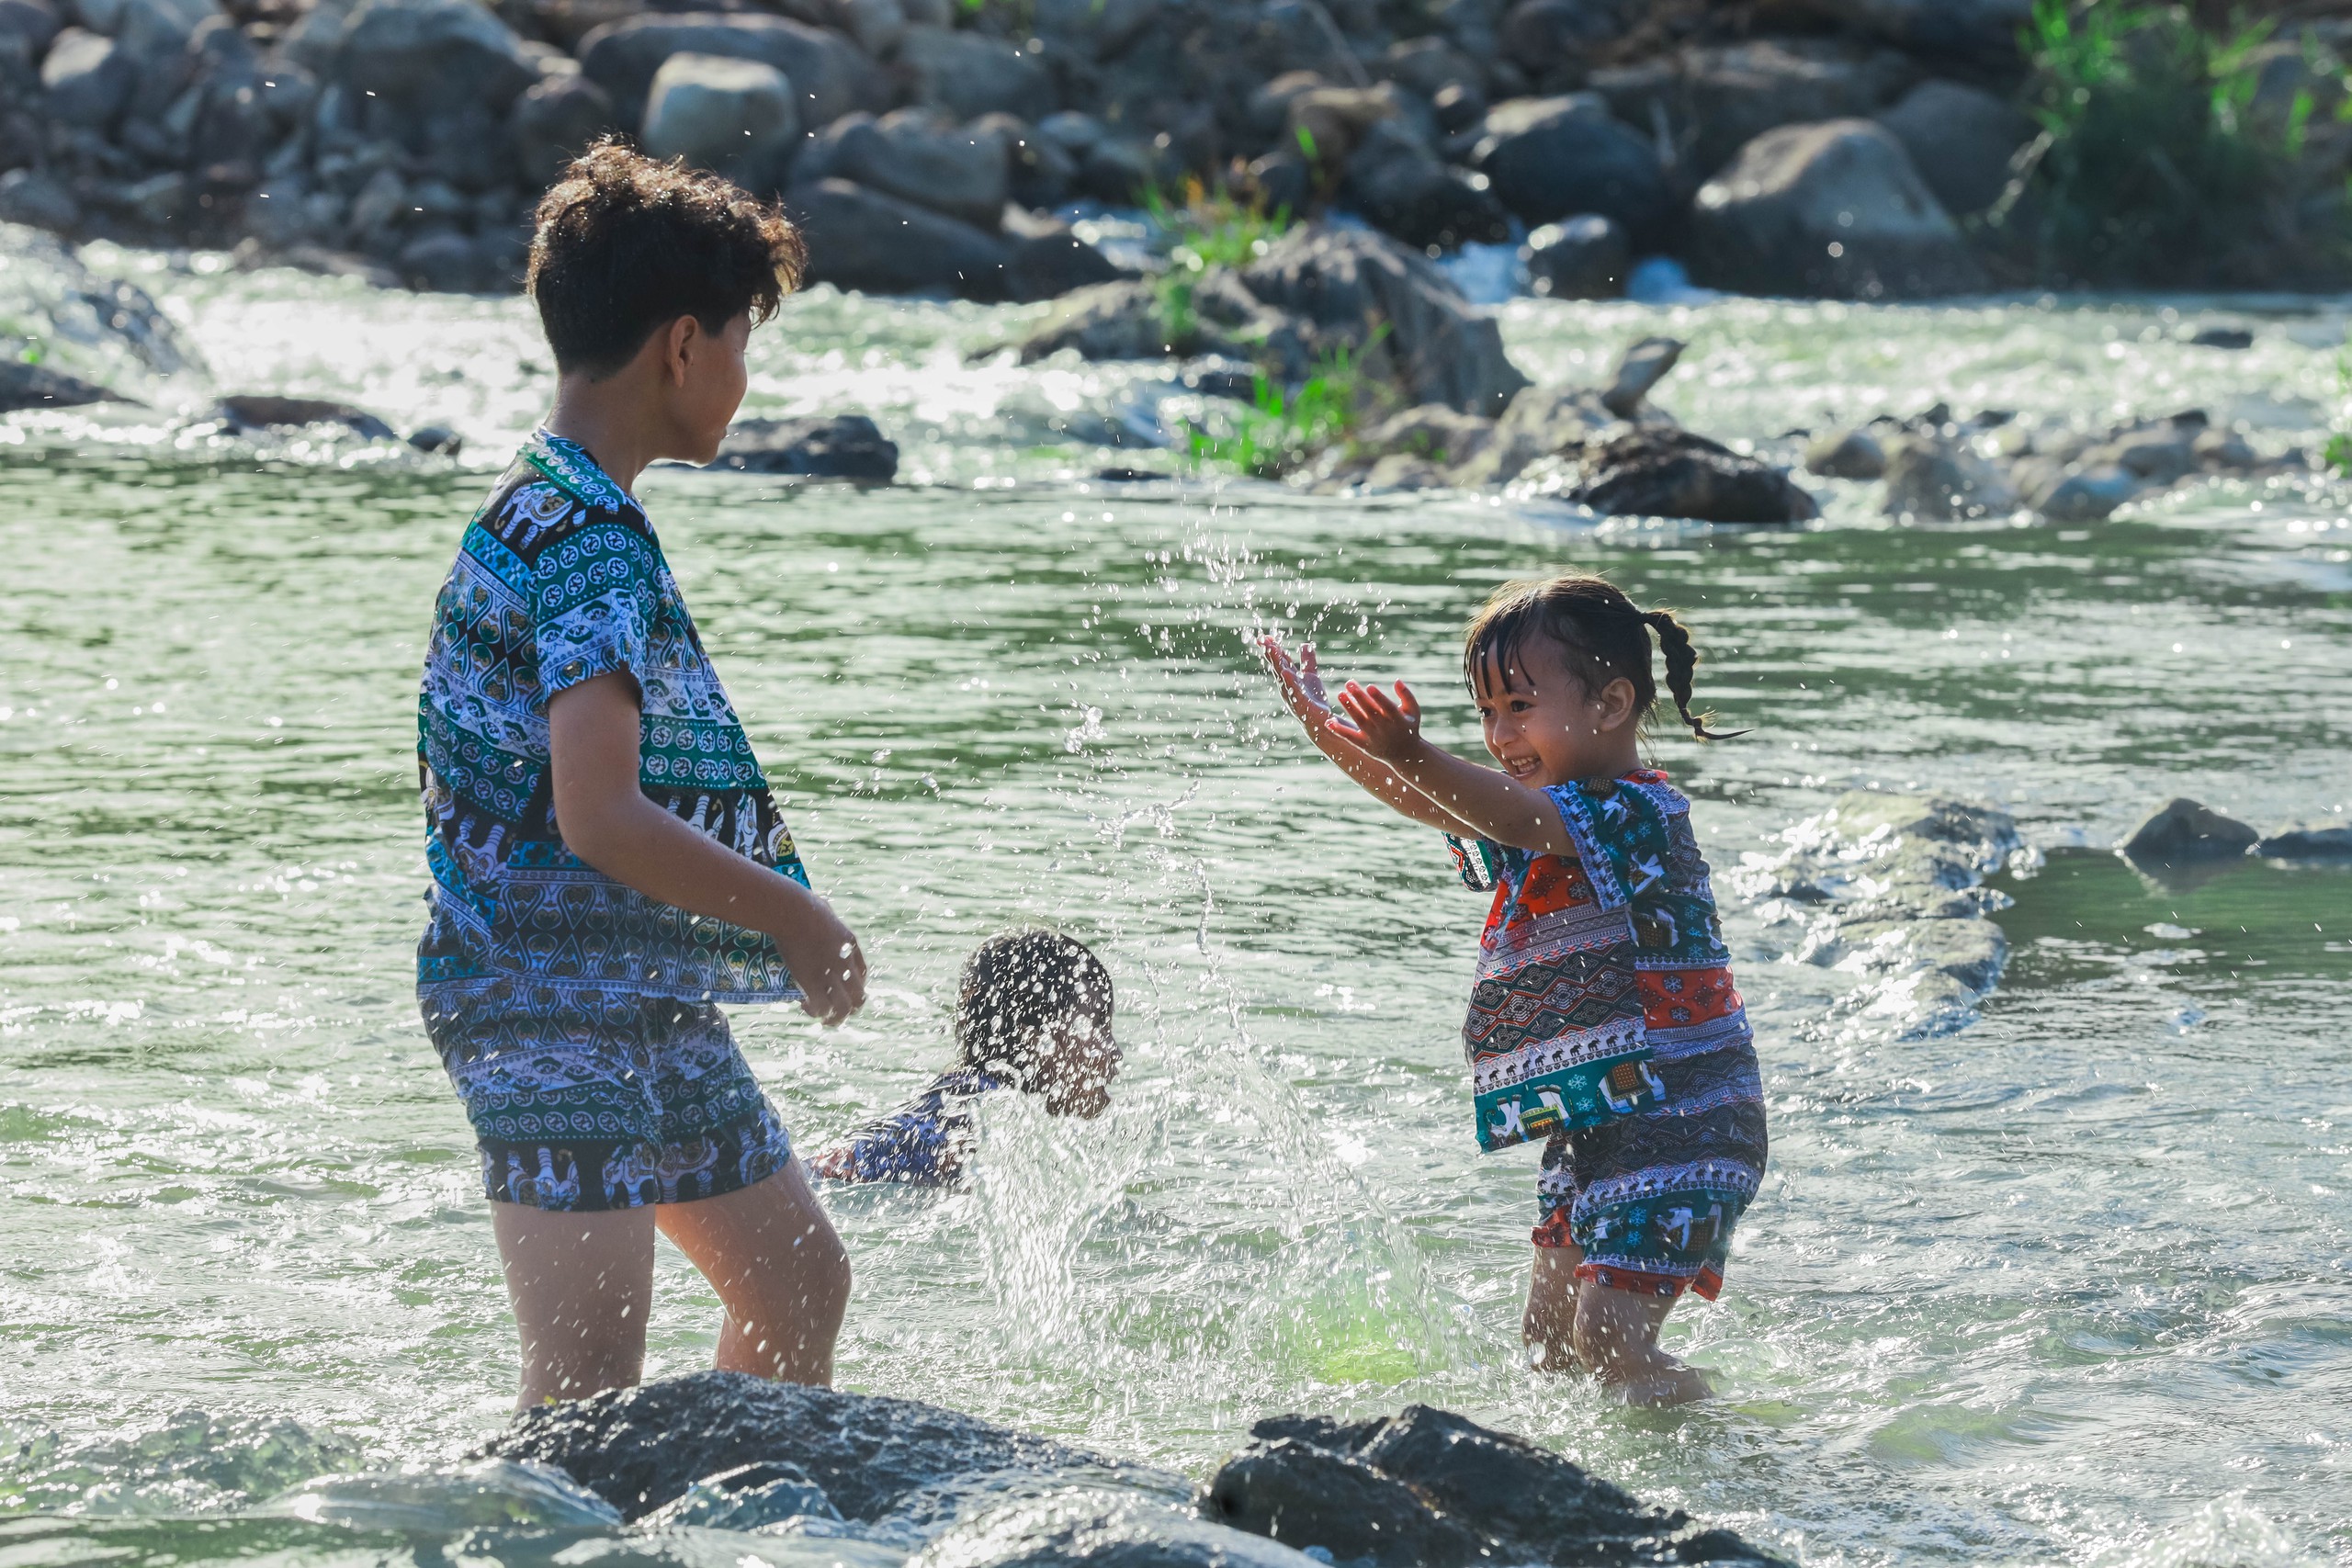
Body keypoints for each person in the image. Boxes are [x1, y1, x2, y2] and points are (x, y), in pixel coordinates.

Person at [414, 141, 868, 1409]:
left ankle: (733, 1524)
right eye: (740, 341)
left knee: (793, 1287)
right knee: (587, 1378)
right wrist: (795, 913)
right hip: (537, 994)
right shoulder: (584, 540)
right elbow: (598, 812)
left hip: (634, 981)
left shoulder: (557, 499)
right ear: (682, 347)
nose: (741, 374)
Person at [1261, 575, 1767, 1405]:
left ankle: (1724, 1452)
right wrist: (1331, 732)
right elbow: (1437, 803)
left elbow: (1495, 808)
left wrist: (1412, 750)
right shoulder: (1543, 812)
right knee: (1549, 1344)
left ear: (1610, 704)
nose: (1499, 735)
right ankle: (1585, 1476)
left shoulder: (1634, 812)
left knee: (1608, 1335)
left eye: (1519, 707)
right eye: (1486, 712)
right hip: (1597, 1121)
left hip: (1688, 1117)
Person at [811, 930, 1117, 1186]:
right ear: (1034, 1037)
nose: (1114, 1052)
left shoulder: (957, 1096)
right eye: (1099, 1026)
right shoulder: (997, 1128)